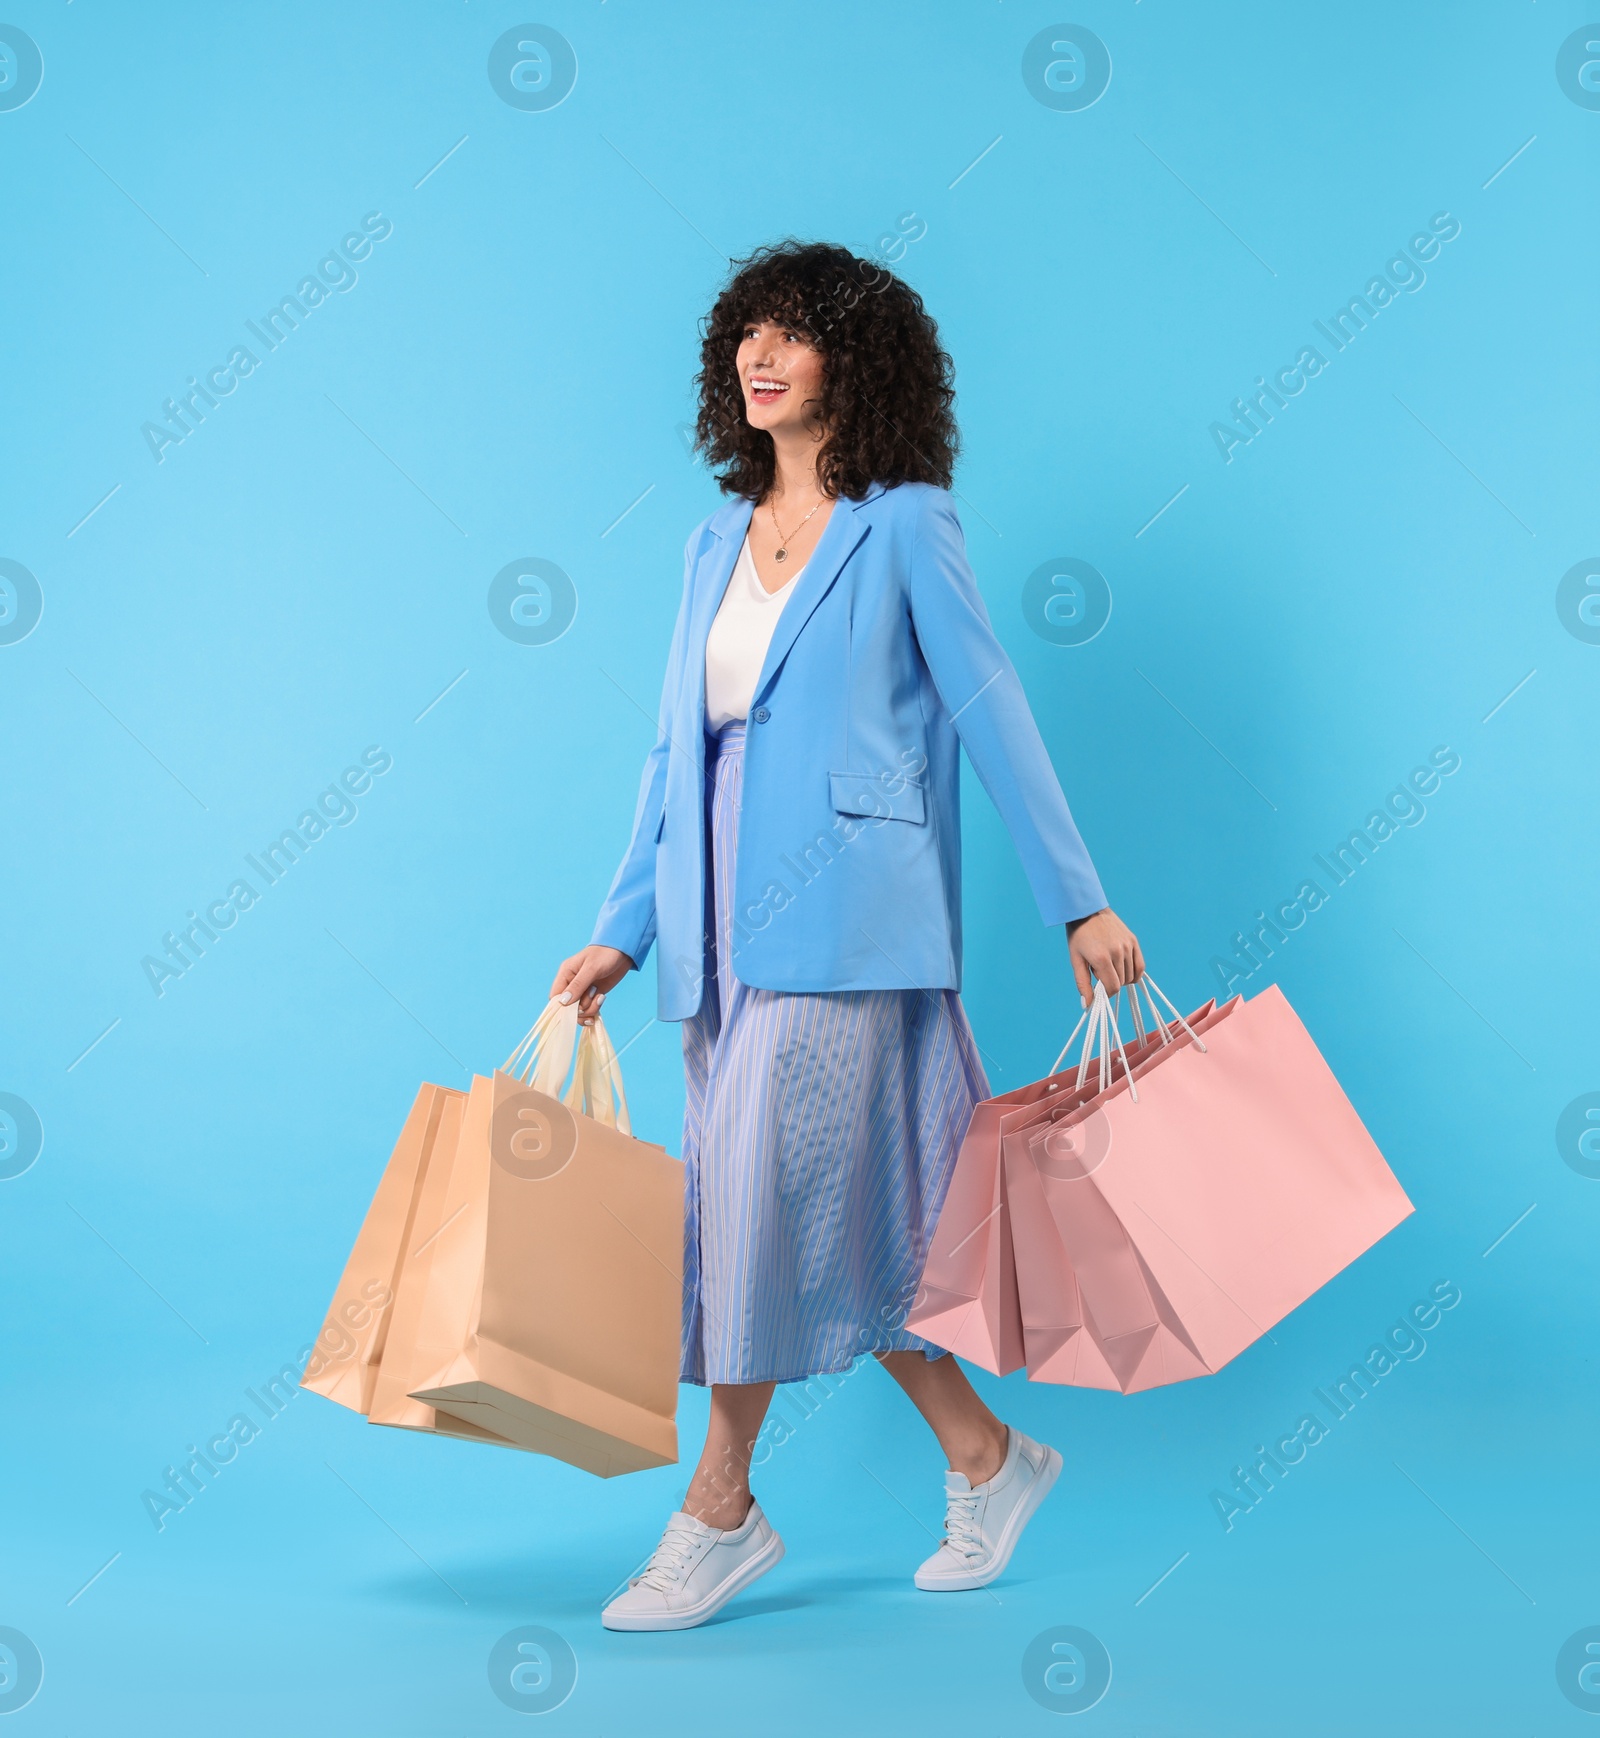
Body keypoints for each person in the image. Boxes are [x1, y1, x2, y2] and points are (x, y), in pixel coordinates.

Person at [551, 240, 1141, 1632]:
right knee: (838, 1226)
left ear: (851, 361)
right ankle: (988, 1458)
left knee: (752, 1203)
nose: (762, 356)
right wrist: (619, 929)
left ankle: (720, 1509)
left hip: (849, 921)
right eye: (747, 333)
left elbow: (990, 704)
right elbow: (669, 760)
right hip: (710, 938)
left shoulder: (906, 522)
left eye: (794, 335)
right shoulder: (709, 542)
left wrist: (1080, 894)